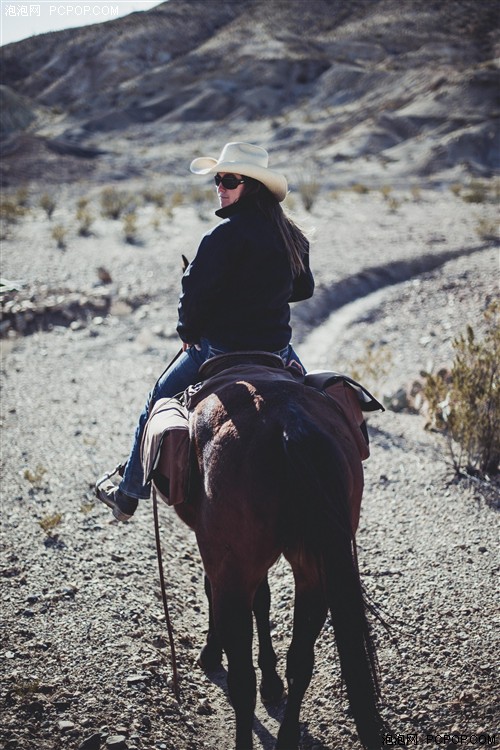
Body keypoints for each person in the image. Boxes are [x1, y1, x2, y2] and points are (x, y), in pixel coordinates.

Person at [96, 141, 315, 521]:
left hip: (218, 349)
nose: (220, 186)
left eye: (229, 179)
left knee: (156, 400)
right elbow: (304, 289)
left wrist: (188, 331)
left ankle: (129, 492)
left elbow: (193, 295)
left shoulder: (222, 236)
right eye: (218, 179)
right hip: (277, 350)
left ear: (253, 186)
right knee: (311, 396)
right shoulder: (291, 236)